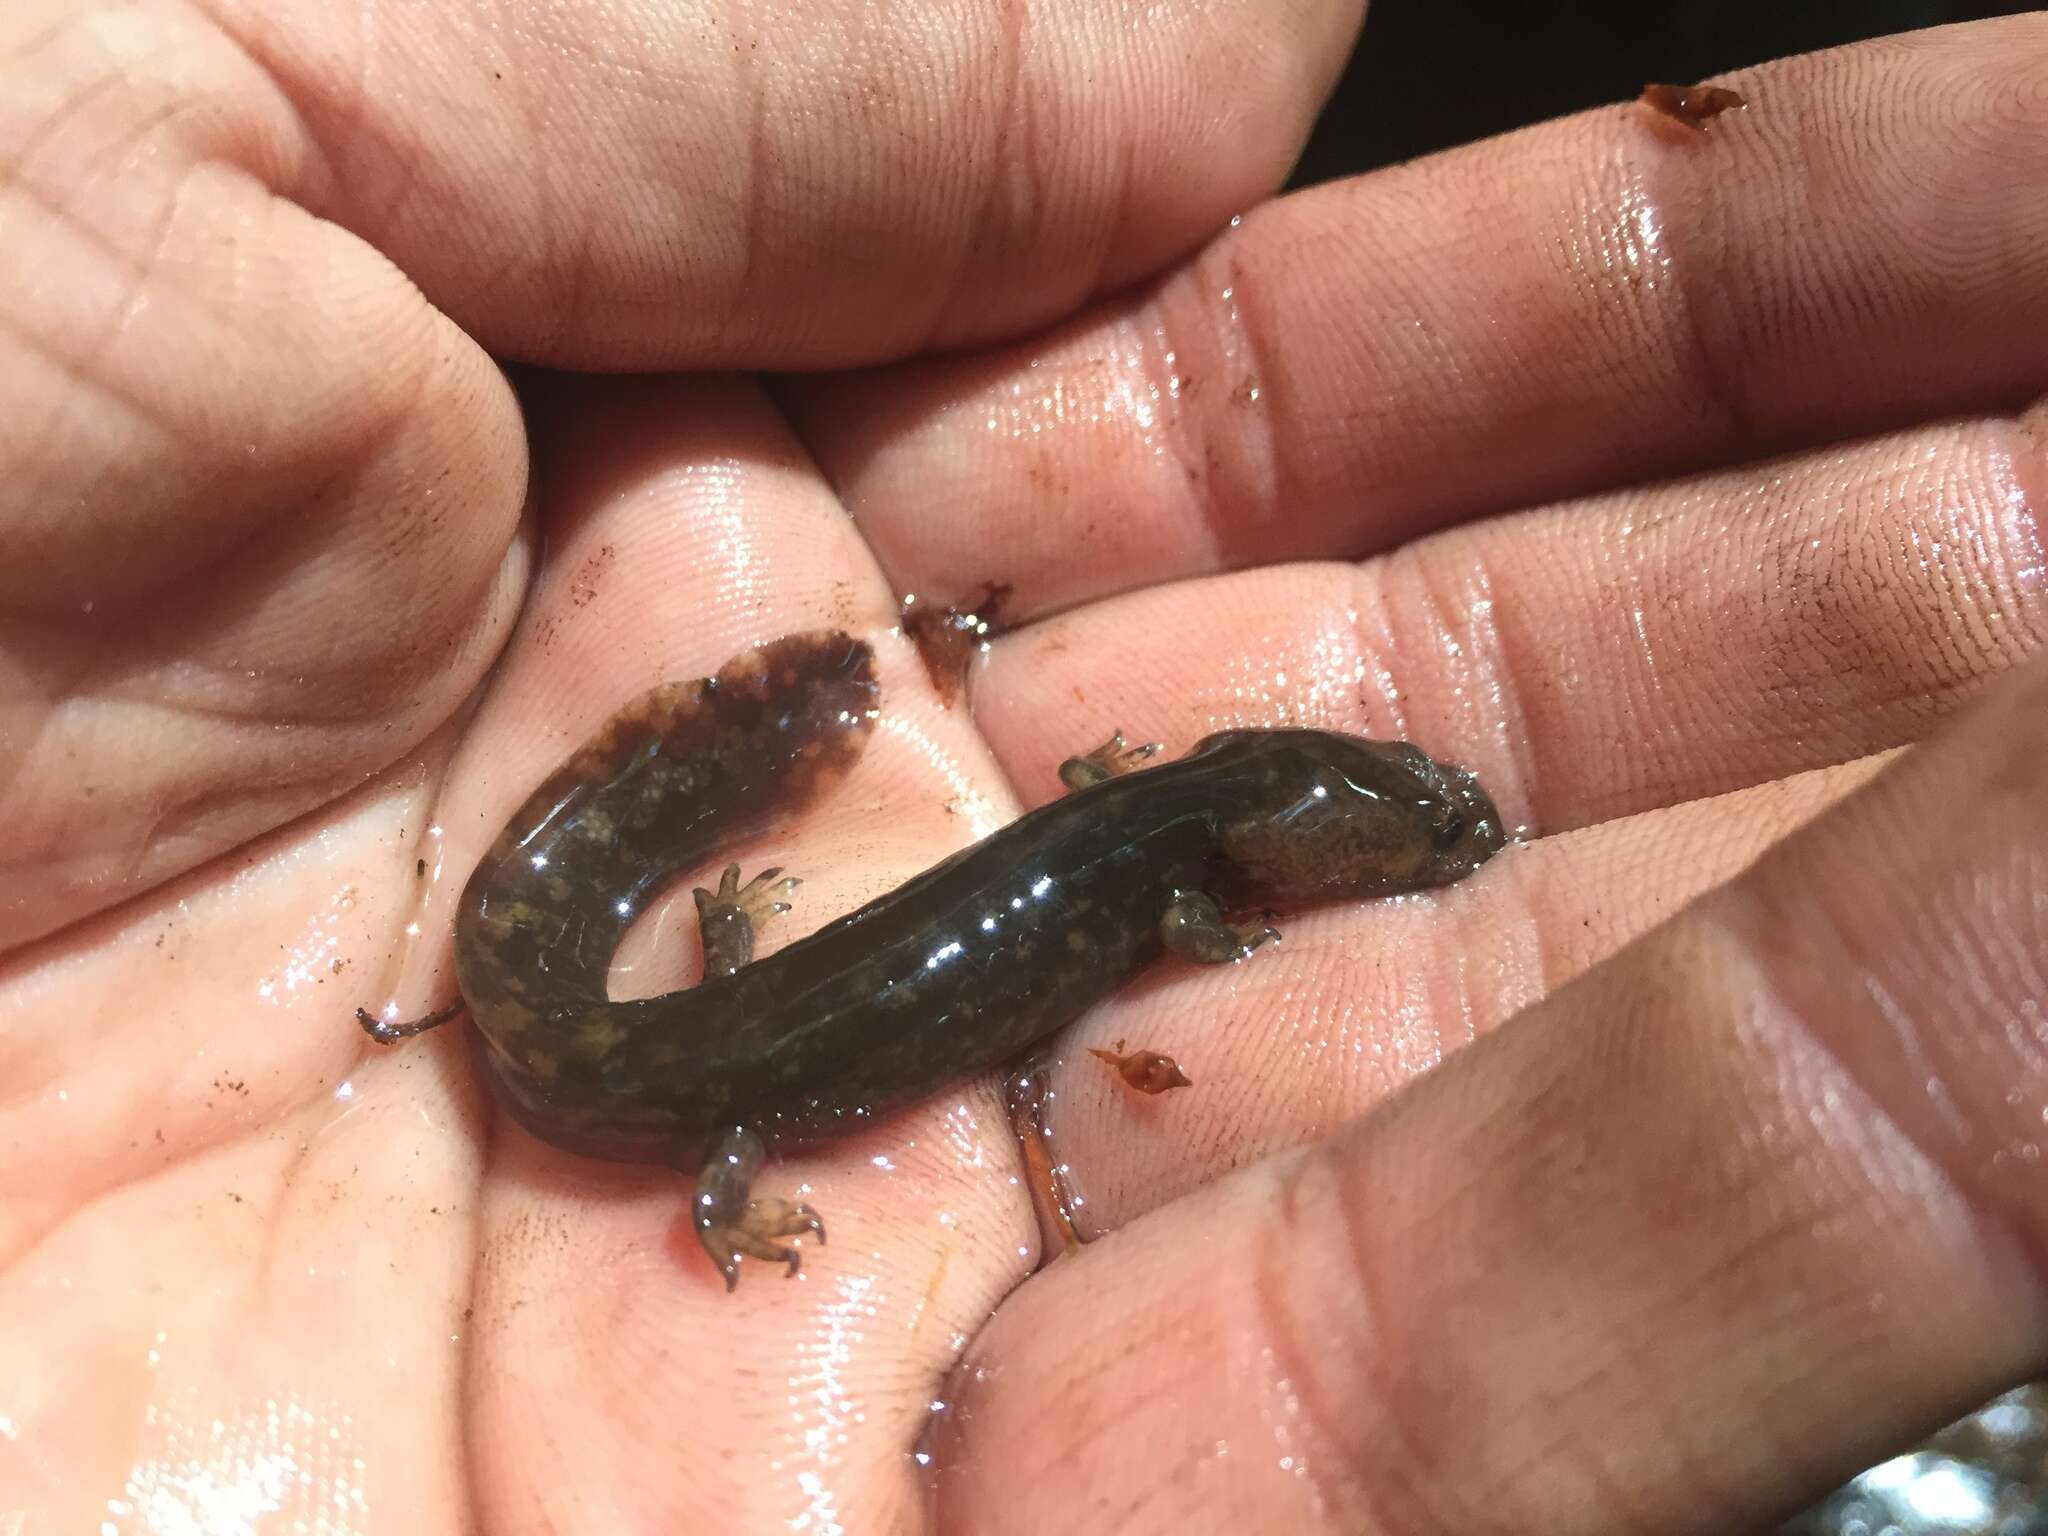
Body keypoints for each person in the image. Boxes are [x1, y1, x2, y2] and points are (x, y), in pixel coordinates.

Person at [3, 5, 2043, 1529]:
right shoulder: (1164, 877)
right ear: (1256, 820)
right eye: (1401, 825)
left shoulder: (1152, 826)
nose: (1420, 845)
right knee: (716, 1082)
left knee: (737, 1046)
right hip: (680, 1088)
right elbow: (1167, 904)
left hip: (716, 1045)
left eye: (1412, 826)